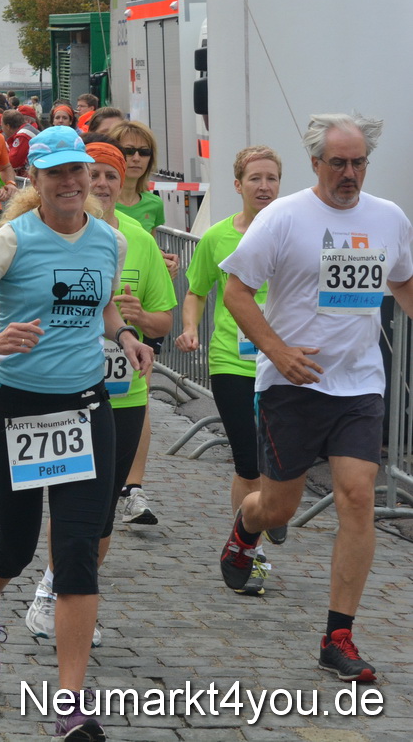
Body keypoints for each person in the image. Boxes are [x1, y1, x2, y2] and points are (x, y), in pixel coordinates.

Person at [0, 126, 154, 740]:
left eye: (76, 172)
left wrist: (129, 337)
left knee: (79, 551)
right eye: (54, 173)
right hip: (14, 410)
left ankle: (70, 703)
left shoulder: (108, 241)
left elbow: (104, 308)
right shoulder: (9, 242)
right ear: (36, 180)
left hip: (86, 410)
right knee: (17, 545)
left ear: (89, 176)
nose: (68, 183)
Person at [217, 114, 413, 683]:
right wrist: (277, 353)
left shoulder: (388, 218)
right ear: (316, 164)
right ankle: (245, 529)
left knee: (357, 496)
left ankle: (338, 635)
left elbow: (401, 280)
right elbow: (236, 292)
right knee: (278, 507)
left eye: (358, 163)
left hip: (359, 386)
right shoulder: (283, 217)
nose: (349, 174)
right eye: (339, 163)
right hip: (292, 386)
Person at [21, 140, 175, 647]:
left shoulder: (135, 242)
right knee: (67, 502)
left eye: (111, 175)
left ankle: (63, 584)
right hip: (68, 389)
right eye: (99, 174)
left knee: (102, 508)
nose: (103, 184)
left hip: (123, 394)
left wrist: (133, 326)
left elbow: (163, 320)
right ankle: (57, 590)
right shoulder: (36, 236)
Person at [176, 146, 282, 522]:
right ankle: (246, 546)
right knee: (248, 461)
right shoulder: (217, 237)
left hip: (284, 363)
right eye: (255, 178)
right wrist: (190, 328)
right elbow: (196, 292)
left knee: (282, 463)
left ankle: (269, 508)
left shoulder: (294, 234)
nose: (265, 186)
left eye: (272, 178)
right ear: (238, 185)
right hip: (232, 361)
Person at [111, 120, 166, 234]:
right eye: (129, 151)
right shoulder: (100, 204)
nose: (136, 158)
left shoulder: (154, 204)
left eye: (144, 152)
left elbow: (150, 246)